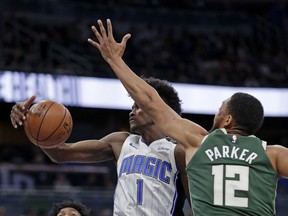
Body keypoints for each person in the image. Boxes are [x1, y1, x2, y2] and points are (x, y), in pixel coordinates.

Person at [87, 18, 288, 215]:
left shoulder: (199, 142)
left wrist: (115, 60)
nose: (215, 115)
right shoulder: (273, 154)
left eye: (220, 110)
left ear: (228, 120)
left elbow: (149, 100)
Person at [10, 83, 190, 215]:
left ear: (159, 110)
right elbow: (61, 153)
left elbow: (199, 206)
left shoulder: (180, 151)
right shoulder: (121, 142)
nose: (131, 111)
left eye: (138, 107)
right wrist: (32, 124)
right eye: (132, 106)